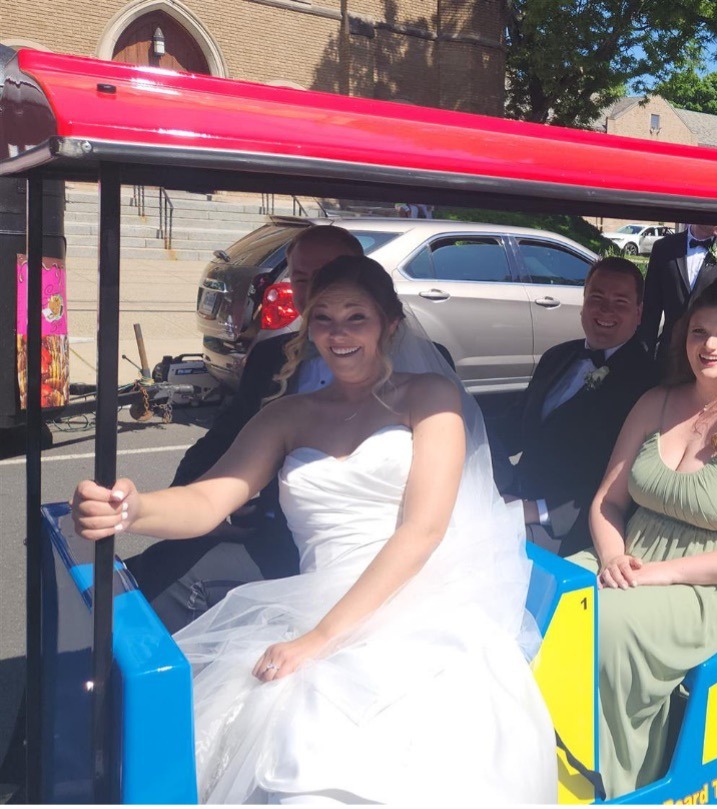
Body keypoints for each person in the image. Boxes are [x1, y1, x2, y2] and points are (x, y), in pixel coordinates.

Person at [69, 257, 556, 804]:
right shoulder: (288, 415)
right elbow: (209, 499)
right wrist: (133, 510)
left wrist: (323, 638)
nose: (338, 333)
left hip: (418, 599)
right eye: (323, 318)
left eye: (356, 318)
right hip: (312, 598)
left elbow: (422, 531)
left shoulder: (429, 399)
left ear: (389, 325)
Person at [573, 280, 717, 797]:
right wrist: (612, 556)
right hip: (631, 557)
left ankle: (616, 782)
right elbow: (607, 501)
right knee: (544, 603)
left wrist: (661, 574)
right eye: (699, 332)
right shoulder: (655, 402)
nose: (710, 345)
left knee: (603, 628)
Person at [128, 225, 365, 632]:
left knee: (162, 593)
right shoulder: (274, 357)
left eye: (330, 274)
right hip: (272, 528)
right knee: (132, 579)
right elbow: (225, 437)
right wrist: (177, 498)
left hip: (352, 558)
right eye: (303, 278)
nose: (315, 291)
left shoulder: (422, 383)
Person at [494, 257, 659, 556]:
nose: (606, 309)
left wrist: (537, 510)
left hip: (571, 524)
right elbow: (514, 428)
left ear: (639, 313)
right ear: (583, 303)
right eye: (597, 297)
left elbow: (630, 482)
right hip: (513, 494)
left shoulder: (650, 384)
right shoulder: (556, 357)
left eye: (620, 302)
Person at [638, 224, 717, 362]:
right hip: (669, 356)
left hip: (713, 357)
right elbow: (650, 310)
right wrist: (643, 360)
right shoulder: (664, 248)